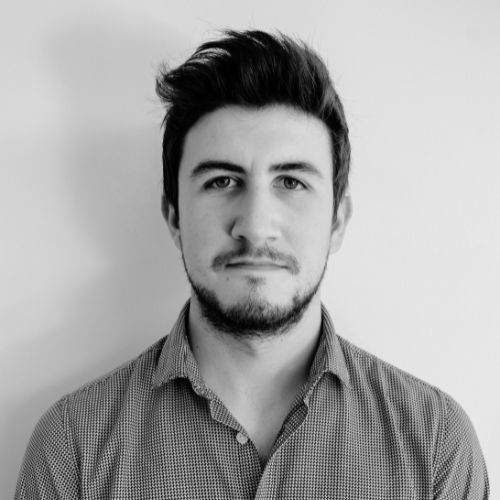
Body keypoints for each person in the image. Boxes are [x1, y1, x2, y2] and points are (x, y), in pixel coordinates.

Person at [16, 30, 489, 499]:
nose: (256, 226)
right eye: (222, 181)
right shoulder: (73, 448)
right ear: (174, 217)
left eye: (291, 182)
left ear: (337, 220)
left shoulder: (436, 445)